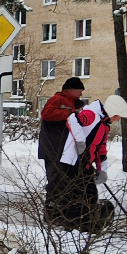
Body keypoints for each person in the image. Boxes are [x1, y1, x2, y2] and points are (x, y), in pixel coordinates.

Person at [54, 94, 127, 232]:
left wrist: (102, 169)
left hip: (85, 163)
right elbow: (72, 119)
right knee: (77, 194)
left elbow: (101, 148)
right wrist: (80, 141)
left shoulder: (105, 124)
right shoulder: (92, 115)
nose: (118, 119)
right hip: (72, 161)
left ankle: (86, 224)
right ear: (113, 111)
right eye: (118, 116)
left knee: (90, 193)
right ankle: (72, 226)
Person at [39, 78, 85, 216]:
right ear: (70, 89)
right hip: (53, 149)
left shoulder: (71, 103)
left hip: (64, 151)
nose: (81, 94)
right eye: (80, 91)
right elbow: (46, 114)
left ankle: (63, 212)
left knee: (65, 182)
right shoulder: (57, 100)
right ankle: (52, 213)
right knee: (56, 182)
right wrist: (70, 113)